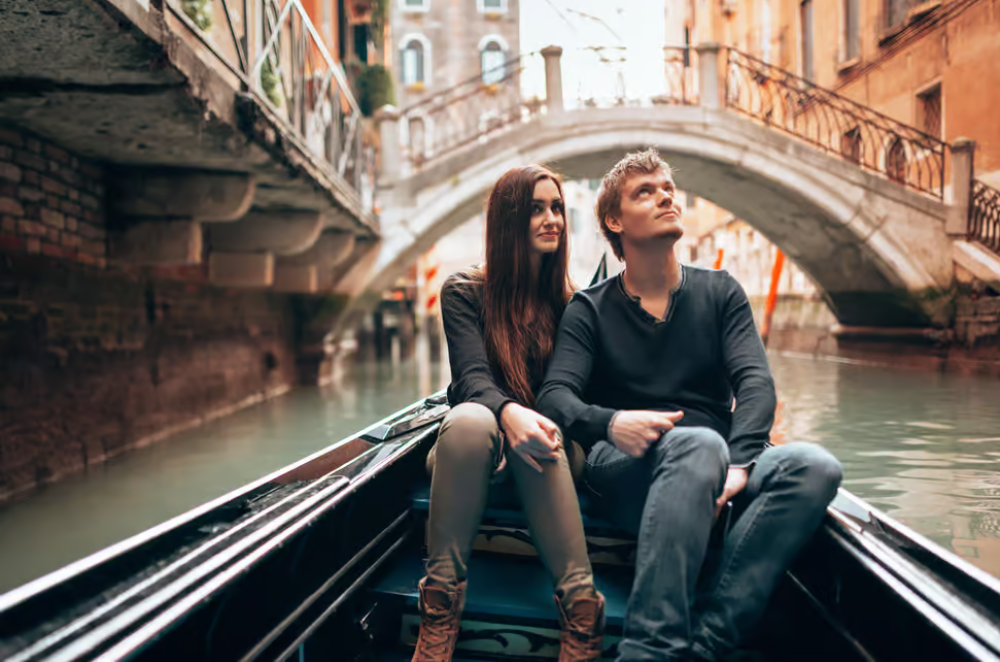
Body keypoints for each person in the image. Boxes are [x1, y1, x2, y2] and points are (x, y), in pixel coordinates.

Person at [536, 148, 843, 662]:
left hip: (720, 460)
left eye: (668, 189)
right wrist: (612, 423)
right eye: (645, 192)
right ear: (615, 221)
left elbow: (756, 385)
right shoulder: (589, 309)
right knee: (698, 445)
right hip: (626, 463)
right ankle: (649, 649)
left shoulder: (721, 291)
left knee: (814, 466)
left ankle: (707, 645)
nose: (665, 198)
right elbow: (554, 397)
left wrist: (740, 464)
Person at [412, 164, 605, 662]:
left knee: (538, 435)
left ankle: (582, 617)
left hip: (549, 456)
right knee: (469, 419)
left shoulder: (574, 305)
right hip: (474, 455)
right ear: (508, 220)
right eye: (536, 209)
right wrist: (509, 416)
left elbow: (570, 396)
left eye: (557, 208)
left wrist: (528, 425)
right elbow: (472, 380)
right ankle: (438, 613)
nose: (552, 219)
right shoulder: (462, 291)